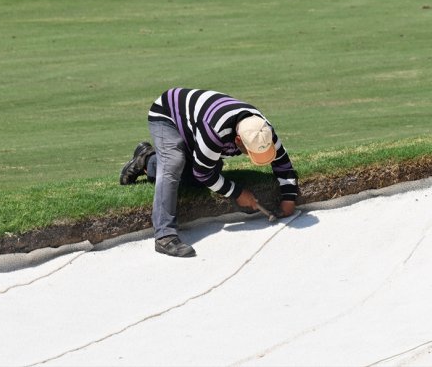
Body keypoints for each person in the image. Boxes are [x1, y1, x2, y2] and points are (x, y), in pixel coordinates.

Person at [119, 88, 298, 258]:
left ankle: (148, 160)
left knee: (202, 175)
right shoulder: (215, 132)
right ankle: (164, 235)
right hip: (167, 115)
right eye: (250, 151)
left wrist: (288, 201)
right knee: (174, 164)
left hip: (195, 127)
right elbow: (203, 173)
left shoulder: (262, 130)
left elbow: (283, 163)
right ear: (237, 140)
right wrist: (238, 193)